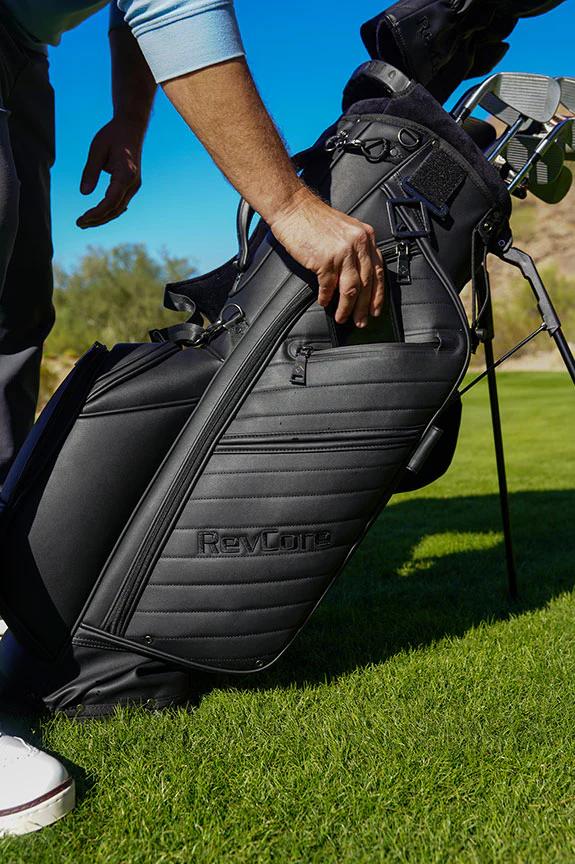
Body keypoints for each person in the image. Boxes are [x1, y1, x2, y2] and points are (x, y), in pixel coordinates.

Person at [0, 0, 568, 837]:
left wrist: (128, 117)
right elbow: (169, 2)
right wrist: (288, 204)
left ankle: (42, 641)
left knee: (10, 344)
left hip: (23, 56)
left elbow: (132, 8)